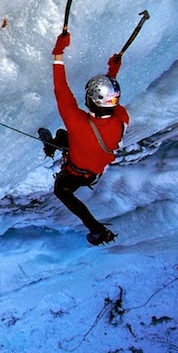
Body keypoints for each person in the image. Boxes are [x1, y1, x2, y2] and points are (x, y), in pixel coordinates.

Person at [39, 31, 129, 245]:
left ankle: (96, 228)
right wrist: (111, 76)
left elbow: (61, 89)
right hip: (91, 170)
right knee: (64, 136)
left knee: (62, 191)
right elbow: (108, 103)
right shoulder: (121, 119)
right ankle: (53, 145)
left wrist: (58, 53)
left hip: (75, 171)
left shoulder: (76, 121)